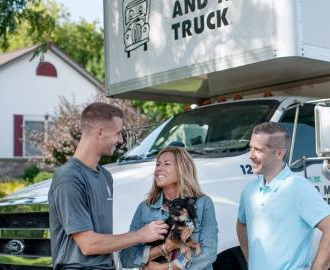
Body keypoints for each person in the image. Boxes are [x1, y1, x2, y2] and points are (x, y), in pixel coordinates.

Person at [49, 102, 169, 270]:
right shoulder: (69, 178)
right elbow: (88, 244)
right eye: (118, 133)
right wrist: (141, 235)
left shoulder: (105, 176)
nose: (120, 140)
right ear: (100, 132)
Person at [236, 122, 330, 270]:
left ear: (279, 154)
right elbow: (241, 224)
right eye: (251, 148)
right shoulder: (249, 191)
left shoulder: (298, 187)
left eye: (258, 150)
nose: (251, 156)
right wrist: (251, 260)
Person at [121, 146, 218, 270]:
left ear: (182, 169)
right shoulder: (145, 207)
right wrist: (166, 247)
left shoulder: (203, 203)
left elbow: (208, 253)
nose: (159, 169)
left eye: (167, 164)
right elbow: (127, 258)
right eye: (158, 164)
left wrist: (167, 268)